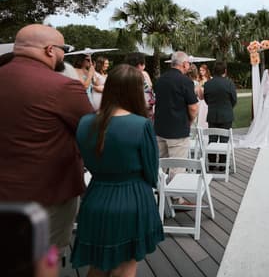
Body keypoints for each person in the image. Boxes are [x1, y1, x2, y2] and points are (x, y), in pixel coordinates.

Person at [0, 24, 93, 252]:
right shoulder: (63, 87)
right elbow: (92, 133)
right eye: (63, 48)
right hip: (47, 196)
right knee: (45, 258)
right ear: (50, 50)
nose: (64, 55)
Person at [71, 64, 164, 276]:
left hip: (95, 198)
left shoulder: (85, 122)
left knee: (98, 267)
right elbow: (151, 172)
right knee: (125, 268)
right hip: (133, 199)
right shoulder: (141, 125)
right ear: (135, 90)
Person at [154, 51, 198, 185]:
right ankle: (176, 199)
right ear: (184, 64)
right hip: (178, 130)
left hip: (160, 128)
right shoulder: (185, 81)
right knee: (177, 167)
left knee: (160, 164)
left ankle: (160, 193)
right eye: (188, 64)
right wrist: (190, 120)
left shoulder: (160, 79)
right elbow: (193, 107)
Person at [239, 69, 269, 148]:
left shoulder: (267, 83)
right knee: (267, 121)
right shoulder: (268, 83)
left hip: (268, 103)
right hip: (268, 104)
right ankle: (265, 137)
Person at [203, 61, 237, 144]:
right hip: (226, 116)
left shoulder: (207, 84)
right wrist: (228, 107)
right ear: (225, 71)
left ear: (214, 71)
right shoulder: (229, 83)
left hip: (212, 116)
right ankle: (223, 157)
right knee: (224, 141)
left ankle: (211, 157)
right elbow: (234, 100)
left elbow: (206, 99)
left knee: (212, 140)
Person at [124, 52, 155, 119]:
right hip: (136, 112)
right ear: (139, 65)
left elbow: (150, 90)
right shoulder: (128, 77)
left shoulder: (145, 74)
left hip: (149, 110)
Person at [197, 63, 212, 129]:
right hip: (200, 100)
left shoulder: (210, 79)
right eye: (200, 70)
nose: (201, 72)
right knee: (200, 115)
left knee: (206, 113)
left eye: (202, 70)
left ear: (206, 70)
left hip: (207, 99)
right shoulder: (198, 79)